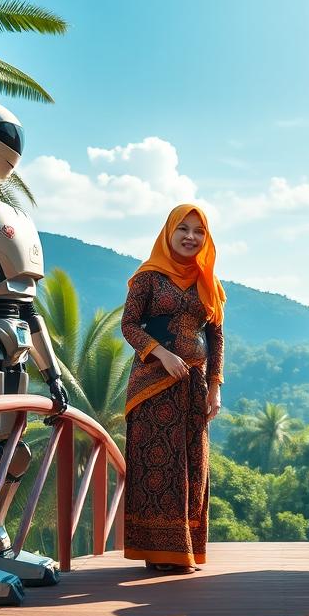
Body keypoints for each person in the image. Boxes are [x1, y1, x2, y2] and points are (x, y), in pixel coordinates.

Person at [121, 204, 225, 574]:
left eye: (198, 231)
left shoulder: (208, 280)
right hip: (151, 385)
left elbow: (216, 337)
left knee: (193, 465)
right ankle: (158, 551)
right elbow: (129, 325)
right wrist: (161, 354)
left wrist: (215, 386)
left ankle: (187, 550)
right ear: (169, 232)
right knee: (158, 463)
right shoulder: (147, 278)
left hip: (194, 386)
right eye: (183, 228)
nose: (190, 237)